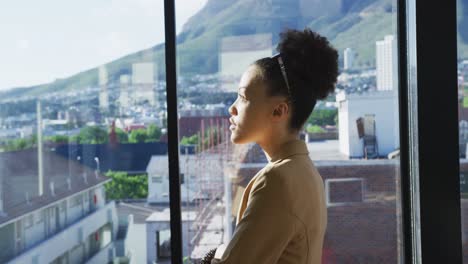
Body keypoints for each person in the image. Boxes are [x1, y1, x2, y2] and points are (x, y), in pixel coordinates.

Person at [210, 28, 338, 264]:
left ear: (279, 110)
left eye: (243, 97)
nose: (233, 108)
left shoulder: (277, 181)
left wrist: (217, 253)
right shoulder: (304, 171)